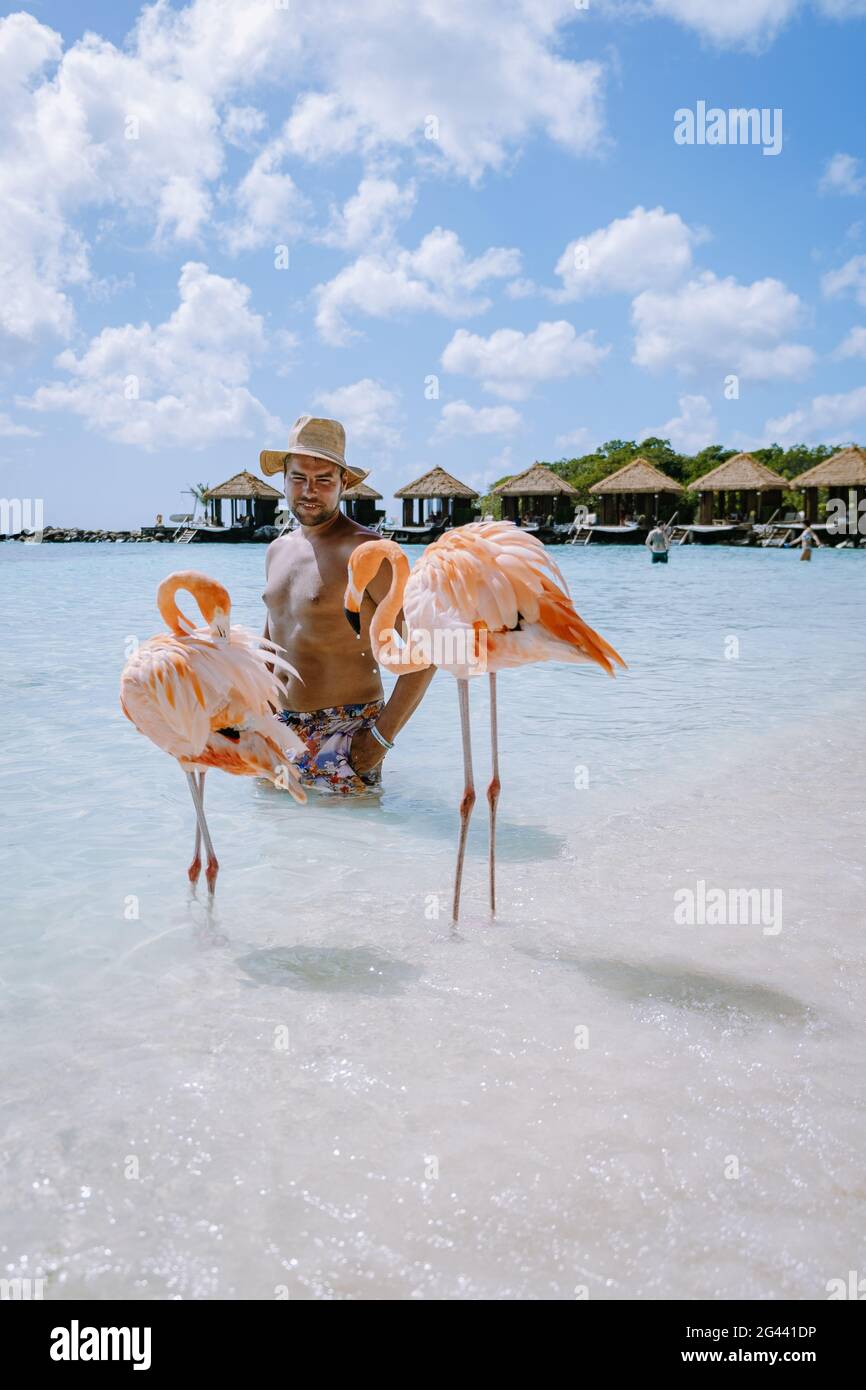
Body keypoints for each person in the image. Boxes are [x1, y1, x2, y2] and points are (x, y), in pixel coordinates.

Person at [259, 416, 435, 795]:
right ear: (284, 479)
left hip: (345, 732)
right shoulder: (277, 550)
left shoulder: (367, 553)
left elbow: (428, 650)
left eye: (323, 480)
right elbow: (271, 642)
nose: (309, 490)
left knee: (352, 850)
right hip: (277, 730)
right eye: (299, 478)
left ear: (344, 484)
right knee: (277, 847)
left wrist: (379, 740)